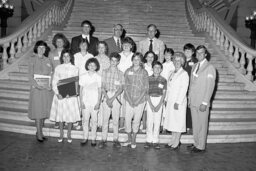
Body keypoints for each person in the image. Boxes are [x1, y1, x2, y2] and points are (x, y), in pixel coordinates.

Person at [188, 45, 216, 153]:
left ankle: (201, 146)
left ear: (205, 54)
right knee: (195, 124)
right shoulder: (194, 66)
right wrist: (189, 99)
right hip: (193, 100)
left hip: (202, 102)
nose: (199, 55)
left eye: (201, 53)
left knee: (202, 125)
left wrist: (205, 102)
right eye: (197, 53)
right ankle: (196, 143)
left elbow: (210, 86)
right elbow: (191, 84)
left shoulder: (210, 68)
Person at [49, 49, 81, 143]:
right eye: (64, 56)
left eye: (68, 56)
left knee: (70, 115)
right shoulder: (58, 68)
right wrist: (57, 93)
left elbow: (75, 82)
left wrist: (72, 94)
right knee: (61, 115)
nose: (66, 58)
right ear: (62, 57)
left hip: (70, 96)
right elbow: (55, 81)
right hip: (60, 95)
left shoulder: (75, 68)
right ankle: (61, 133)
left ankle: (69, 133)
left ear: (70, 57)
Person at [122, 52, 149, 149]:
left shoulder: (144, 72)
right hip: (129, 99)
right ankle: (129, 138)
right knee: (128, 119)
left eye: (138, 59)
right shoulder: (128, 71)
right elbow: (124, 86)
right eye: (134, 59)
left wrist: (137, 100)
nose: (136, 61)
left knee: (137, 120)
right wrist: (130, 100)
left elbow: (146, 88)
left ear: (141, 61)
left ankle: (133, 139)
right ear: (132, 60)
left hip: (140, 100)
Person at [98, 52, 124, 149]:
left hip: (116, 96)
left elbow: (121, 88)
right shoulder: (104, 71)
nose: (113, 62)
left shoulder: (121, 73)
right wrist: (107, 98)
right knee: (105, 119)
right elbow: (102, 86)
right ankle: (103, 139)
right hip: (107, 95)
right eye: (112, 60)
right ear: (110, 60)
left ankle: (115, 139)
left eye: (115, 61)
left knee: (115, 120)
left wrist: (112, 99)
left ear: (118, 62)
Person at [163, 52, 189, 150]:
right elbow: (168, 87)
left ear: (182, 62)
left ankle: (177, 142)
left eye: (179, 60)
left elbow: (184, 89)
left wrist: (178, 102)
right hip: (170, 101)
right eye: (175, 60)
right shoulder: (171, 72)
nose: (177, 62)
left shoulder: (184, 74)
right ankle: (172, 140)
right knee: (172, 122)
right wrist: (166, 99)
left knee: (178, 122)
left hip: (178, 102)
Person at [28, 40, 52, 142]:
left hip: (46, 90)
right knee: (38, 111)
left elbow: (50, 74)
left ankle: (40, 132)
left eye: (43, 48)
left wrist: (50, 84)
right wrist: (36, 85)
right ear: (36, 48)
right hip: (37, 90)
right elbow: (30, 75)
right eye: (40, 47)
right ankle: (38, 133)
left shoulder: (47, 60)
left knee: (43, 111)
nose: (42, 49)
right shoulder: (32, 59)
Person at [144, 61, 167, 149]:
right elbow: (146, 92)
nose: (157, 69)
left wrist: (159, 104)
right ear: (152, 68)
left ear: (161, 69)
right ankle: (149, 140)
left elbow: (164, 94)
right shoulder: (148, 79)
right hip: (150, 99)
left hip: (159, 100)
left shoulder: (163, 80)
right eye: (155, 67)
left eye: (158, 68)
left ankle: (156, 140)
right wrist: (150, 104)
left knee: (157, 121)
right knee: (149, 121)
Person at [79, 58, 102, 147]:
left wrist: (98, 103)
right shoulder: (83, 76)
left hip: (94, 102)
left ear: (96, 67)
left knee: (94, 121)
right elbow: (81, 90)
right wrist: (81, 102)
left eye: (94, 65)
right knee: (85, 120)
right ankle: (85, 137)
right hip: (85, 101)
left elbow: (100, 91)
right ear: (87, 66)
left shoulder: (98, 77)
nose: (92, 67)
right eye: (90, 65)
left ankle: (93, 138)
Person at [118, 36, 135, 130]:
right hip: (120, 83)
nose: (126, 46)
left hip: (130, 84)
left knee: (128, 104)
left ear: (131, 46)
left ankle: (128, 124)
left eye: (128, 45)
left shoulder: (134, 56)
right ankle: (121, 124)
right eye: (124, 44)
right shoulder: (118, 55)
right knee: (121, 104)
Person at [95, 41, 110, 130]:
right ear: (97, 48)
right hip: (95, 84)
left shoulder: (108, 59)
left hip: (104, 84)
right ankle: (95, 123)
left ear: (105, 48)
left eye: (103, 47)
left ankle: (101, 123)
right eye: (99, 47)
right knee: (96, 103)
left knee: (103, 104)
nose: (101, 49)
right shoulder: (94, 58)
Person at [183, 43, 198, 134]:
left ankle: (190, 126)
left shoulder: (196, 62)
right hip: (181, 87)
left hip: (190, 87)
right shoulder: (181, 60)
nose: (187, 52)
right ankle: (183, 125)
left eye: (189, 51)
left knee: (190, 107)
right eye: (186, 50)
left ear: (193, 52)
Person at [160, 48, 175, 132]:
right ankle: (163, 126)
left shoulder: (173, 65)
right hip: (163, 89)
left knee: (169, 107)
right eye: (166, 54)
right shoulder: (163, 65)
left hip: (170, 90)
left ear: (172, 56)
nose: (167, 56)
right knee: (163, 108)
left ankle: (169, 126)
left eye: (169, 55)